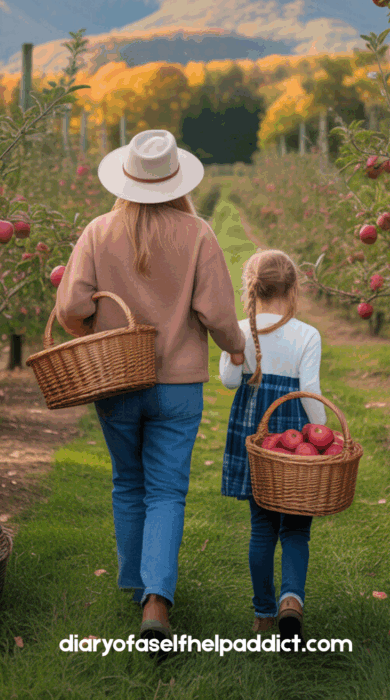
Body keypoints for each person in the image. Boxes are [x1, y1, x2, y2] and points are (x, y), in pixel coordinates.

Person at [55, 129, 246, 646]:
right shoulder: (198, 233)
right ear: (175, 179)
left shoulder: (98, 231)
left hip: (115, 378)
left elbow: (71, 307)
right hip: (178, 385)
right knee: (166, 490)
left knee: (128, 482)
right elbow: (218, 313)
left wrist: (91, 332)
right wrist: (234, 346)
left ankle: (136, 581)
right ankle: (156, 599)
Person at [219, 248, 326, 652]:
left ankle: (263, 614)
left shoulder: (242, 331)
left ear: (252, 287)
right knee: (296, 526)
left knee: (262, 525)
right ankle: (291, 601)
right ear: (294, 287)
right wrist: (325, 432)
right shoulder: (307, 334)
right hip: (295, 440)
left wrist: (235, 350)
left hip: (256, 436)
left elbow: (230, 381)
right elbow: (310, 393)